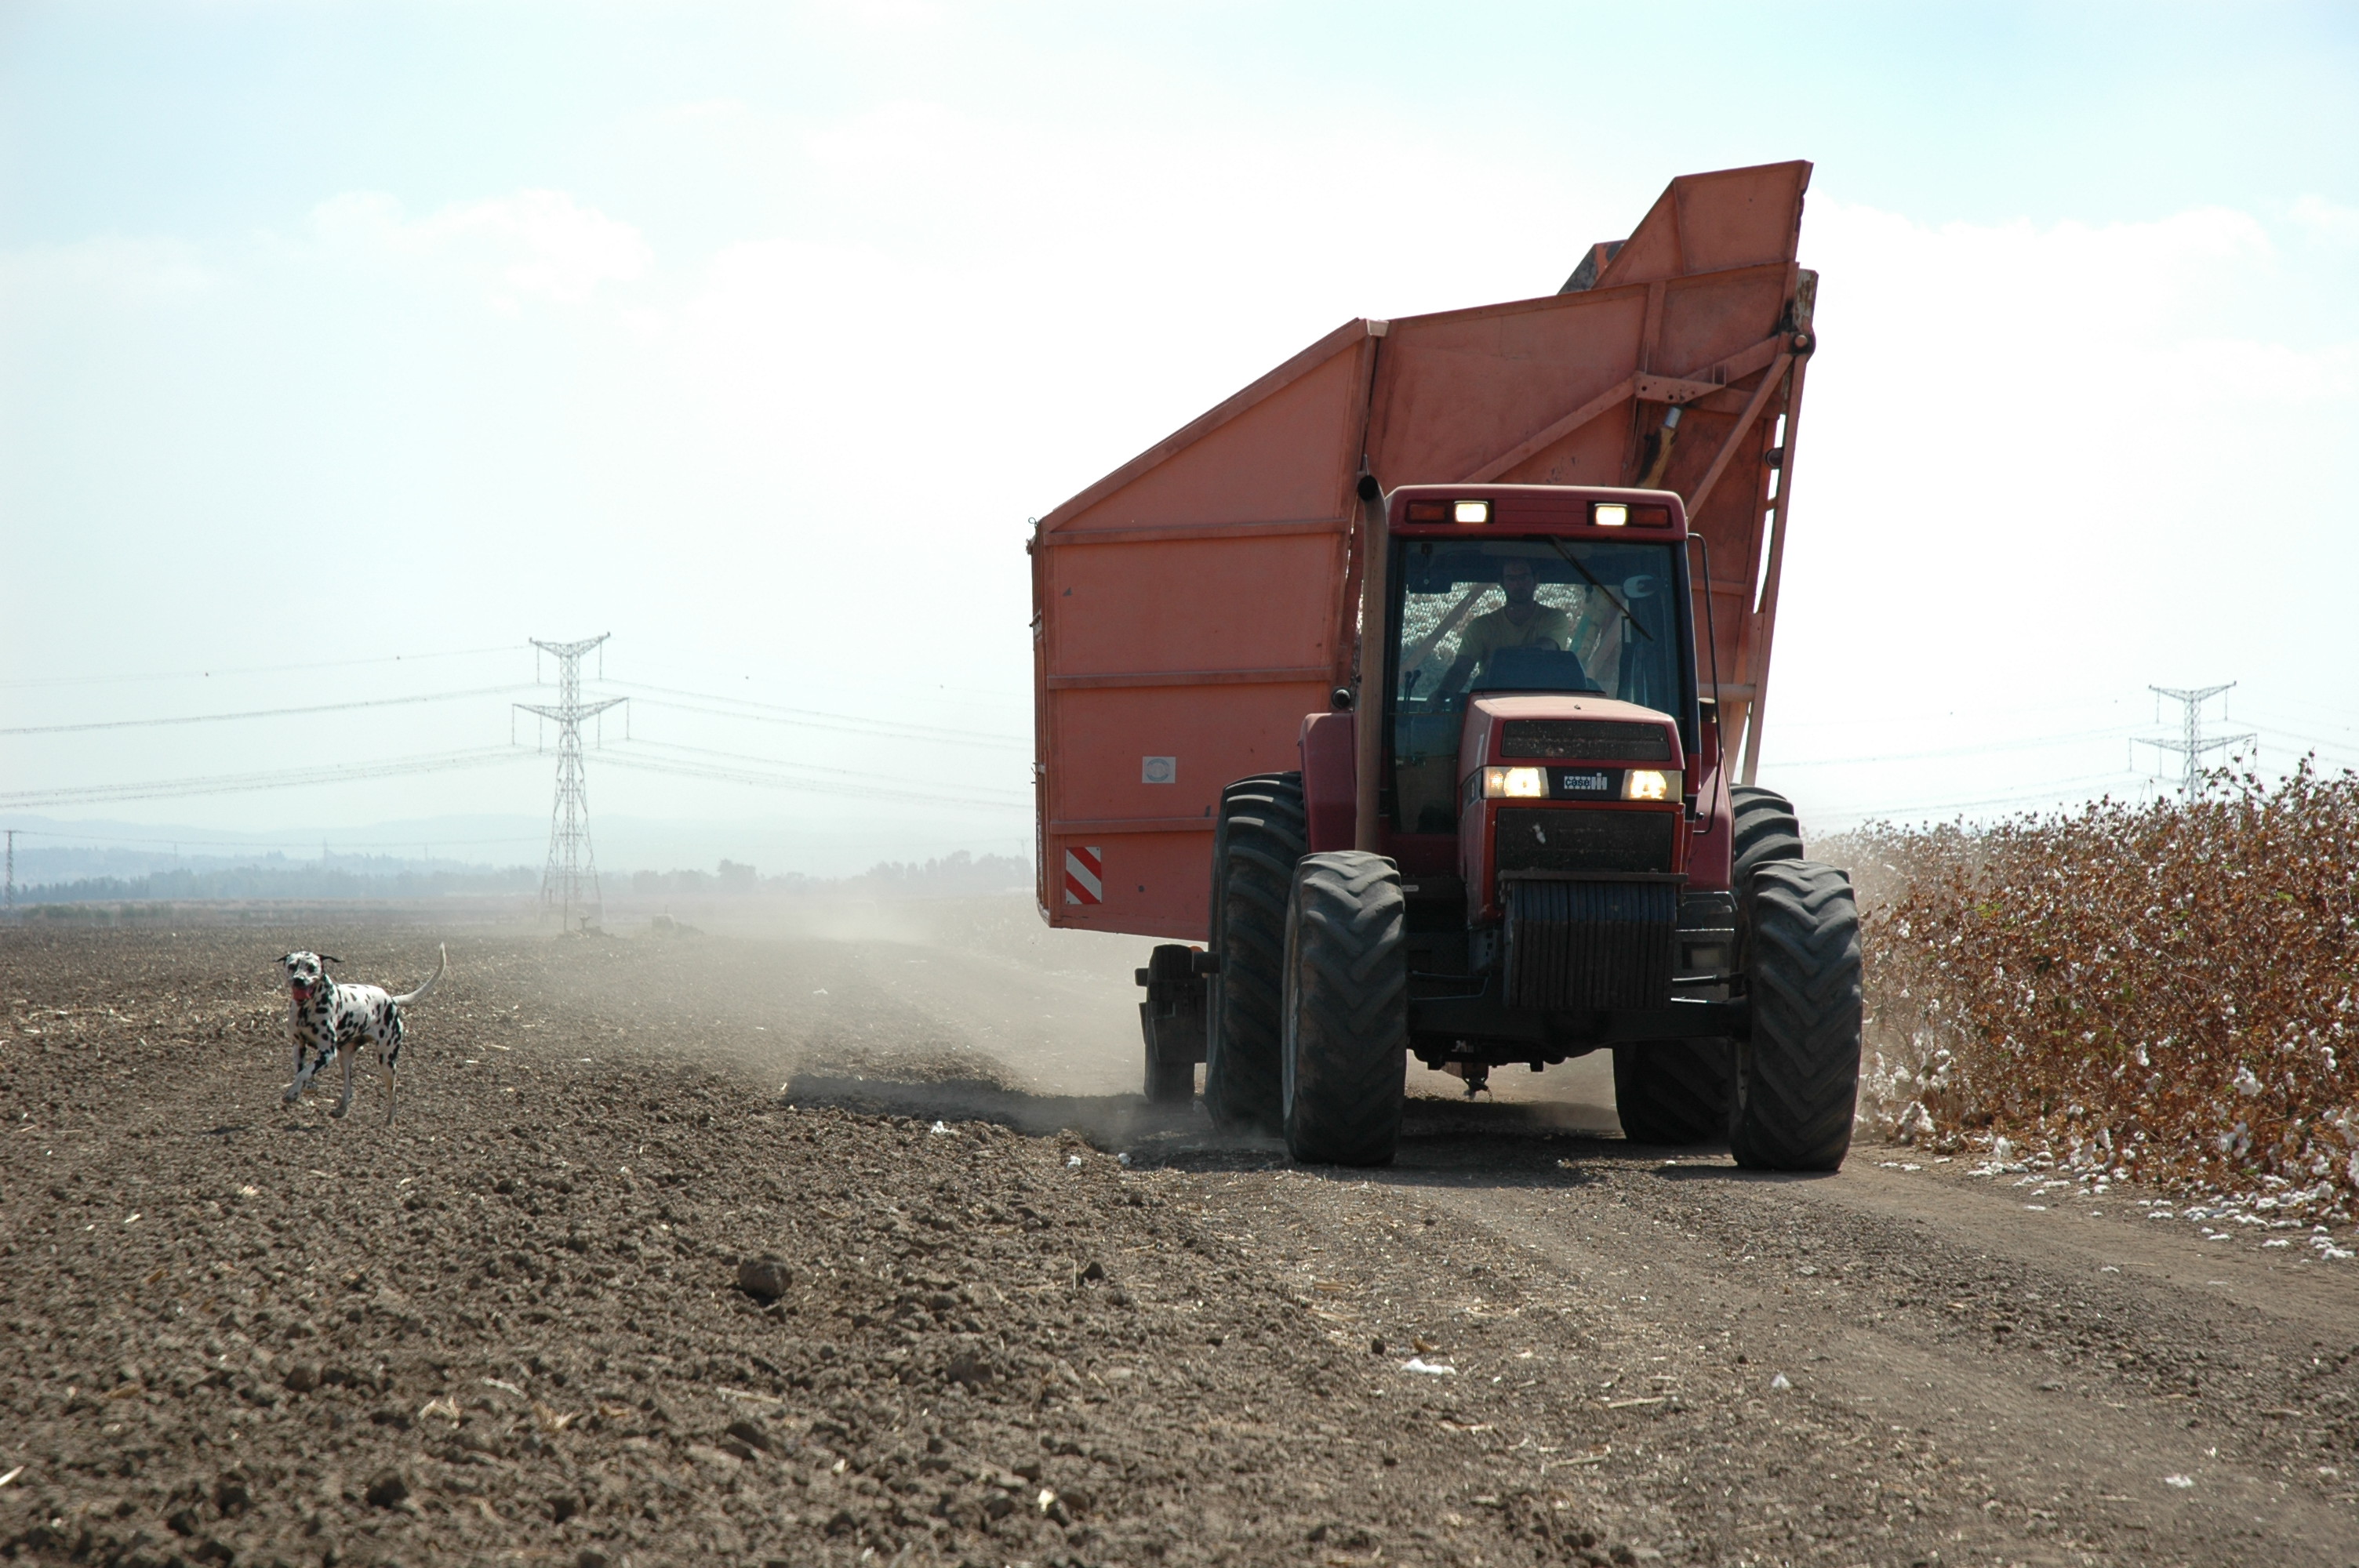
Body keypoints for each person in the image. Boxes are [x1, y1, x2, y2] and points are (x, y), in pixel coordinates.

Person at [1435, 557, 1577, 697]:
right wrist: (1442, 694)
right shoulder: (1482, 626)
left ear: (1536, 580)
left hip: (1542, 698)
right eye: (1511, 579)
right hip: (1492, 701)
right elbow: (1461, 668)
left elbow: (1546, 647)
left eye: (1524, 577)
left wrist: (1501, 659)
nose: (1518, 584)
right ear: (1502, 583)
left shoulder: (1553, 618)